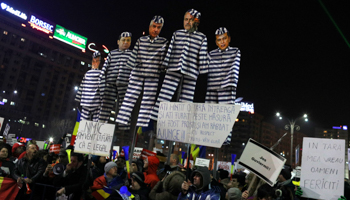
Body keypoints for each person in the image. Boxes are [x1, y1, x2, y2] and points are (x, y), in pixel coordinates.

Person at [151, 9, 208, 120]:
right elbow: (171, 49)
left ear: (196, 22)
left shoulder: (202, 37)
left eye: (190, 20)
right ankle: (155, 121)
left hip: (191, 71)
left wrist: (203, 70)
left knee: (186, 100)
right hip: (173, 68)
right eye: (185, 19)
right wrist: (165, 64)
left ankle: (181, 124)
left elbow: (202, 55)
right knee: (164, 96)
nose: (187, 22)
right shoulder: (177, 34)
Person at [116, 16, 168, 128]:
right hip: (138, 72)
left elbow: (165, 59)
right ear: (150, 27)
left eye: (159, 28)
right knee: (129, 96)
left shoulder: (164, 42)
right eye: (154, 26)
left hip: (152, 74)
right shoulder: (141, 40)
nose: (156, 30)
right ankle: (122, 120)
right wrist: (129, 71)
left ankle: (142, 124)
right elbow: (134, 56)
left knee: (148, 100)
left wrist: (163, 68)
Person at [205, 27, 241, 145]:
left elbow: (235, 68)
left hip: (227, 87)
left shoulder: (235, 51)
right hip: (212, 87)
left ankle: (225, 139)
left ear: (229, 39)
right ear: (216, 42)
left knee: (225, 114)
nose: (222, 42)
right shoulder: (211, 54)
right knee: (210, 113)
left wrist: (230, 83)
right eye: (219, 40)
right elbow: (204, 67)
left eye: (224, 38)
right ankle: (209, 137)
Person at [98, 32, 133, 129]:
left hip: (125, 85)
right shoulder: (112, 54)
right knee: (105, 106)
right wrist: (101, 84)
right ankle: (100, 126)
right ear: (118, 42)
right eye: (123, 40)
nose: (125, 42)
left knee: (125, 107)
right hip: (110, 84)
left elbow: (134, 71)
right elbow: (104, 70)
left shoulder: (132, 55)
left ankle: (123, 130)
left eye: (128, 40)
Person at [75, 51, 102, 121]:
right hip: (87, 102)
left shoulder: (101, 74)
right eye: (94, 61)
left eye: (97, 61)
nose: (95, 63)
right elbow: (82, 86)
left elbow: (102, 88)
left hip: (95, 102)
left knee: (94, 123)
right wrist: (78, 98)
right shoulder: (87, 74)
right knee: (85, 122)